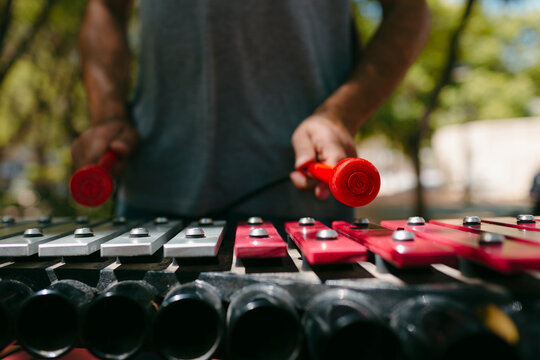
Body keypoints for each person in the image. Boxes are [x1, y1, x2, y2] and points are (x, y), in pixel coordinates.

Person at [71, 0, 430, 221]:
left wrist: (339, 114)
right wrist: (108, 115)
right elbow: (105, 6)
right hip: (151, 195)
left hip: (302, 205)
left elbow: (409, 8)